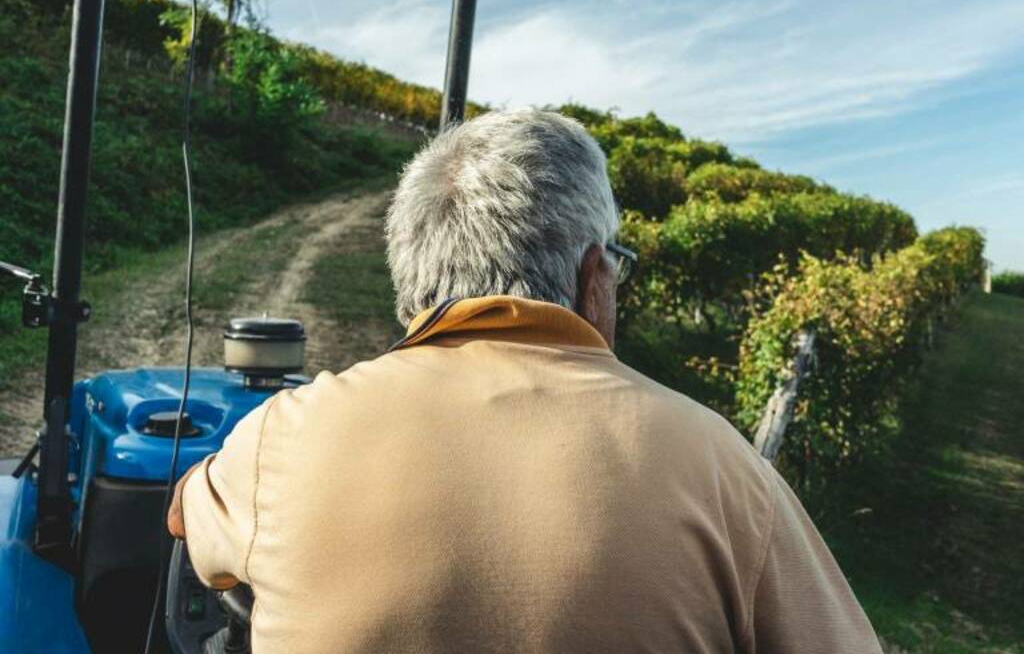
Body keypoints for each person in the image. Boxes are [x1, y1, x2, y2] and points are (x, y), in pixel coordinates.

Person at [168, 108, 883, 653]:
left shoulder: (281, 438)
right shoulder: (723, 468)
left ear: (411, 279)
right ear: (593, 274)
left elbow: (183, 514)